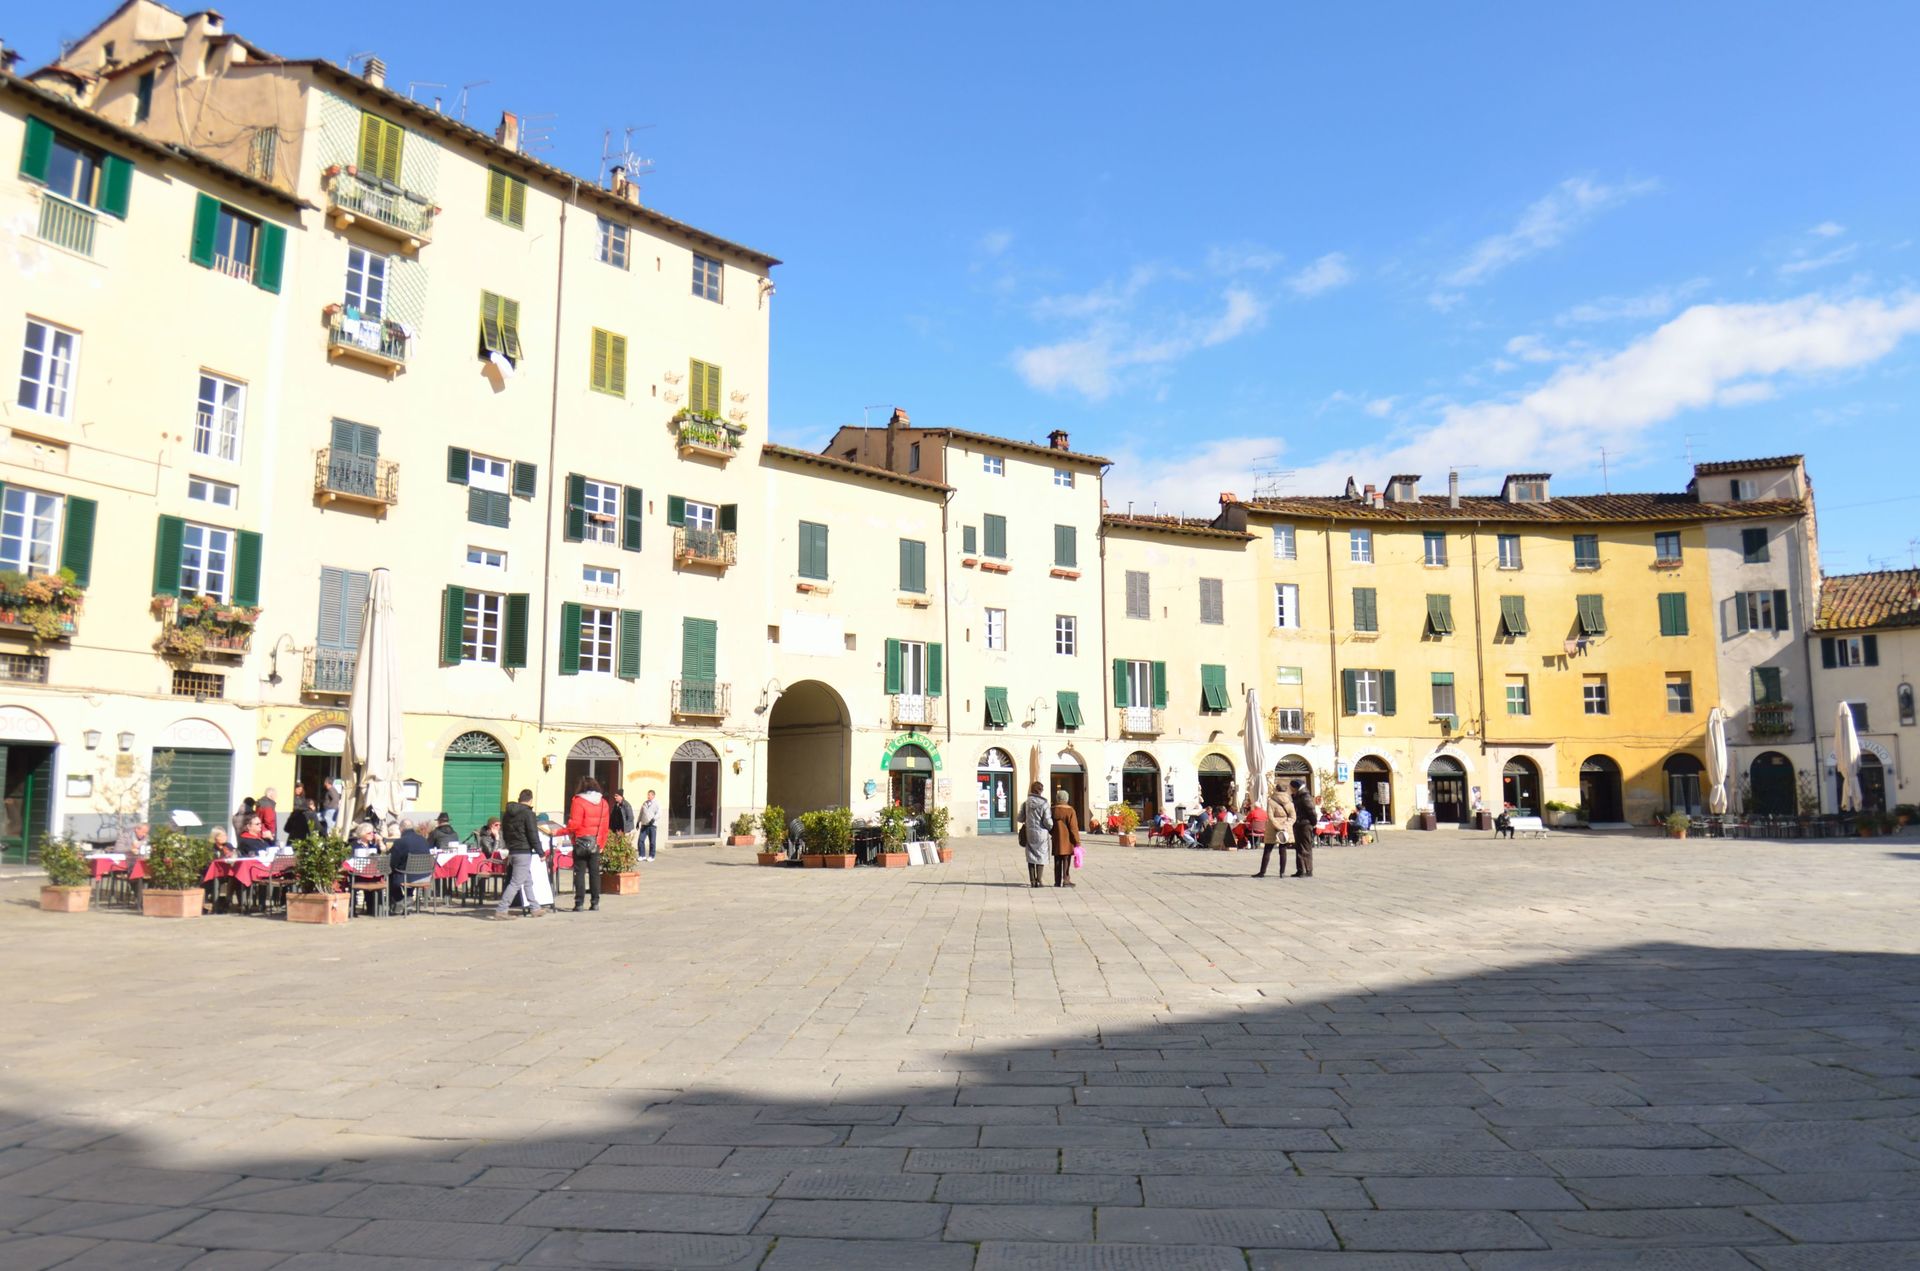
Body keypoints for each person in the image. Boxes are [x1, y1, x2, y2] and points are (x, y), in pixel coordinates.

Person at [494, 789, 546, 918]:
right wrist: (541, 852)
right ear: (530, 800)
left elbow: (504, 832)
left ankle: (535, 908)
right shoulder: (529, 814)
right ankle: (501, 910)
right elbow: (533, 834)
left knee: (527, 880)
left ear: (519, 799)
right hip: (523, 851)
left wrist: (509, 846)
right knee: (516, 883)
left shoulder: (507, 814)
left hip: (512, 851)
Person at [565, 776, 611, 912]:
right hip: (595, 843)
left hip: (580, 842)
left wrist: (561, 831)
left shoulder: (578, 801)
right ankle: (595, 902)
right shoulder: (603, 803)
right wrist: (602, 843)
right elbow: (605, 827)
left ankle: (579, 903)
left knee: (579, 872)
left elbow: (574, 824)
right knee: (595, 873)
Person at [388, 817, 433, 910]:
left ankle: (400, 900)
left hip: (409, 877)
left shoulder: (400, 842)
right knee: (409, 870)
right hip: (426, 876)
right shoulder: (423, 840)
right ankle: (408, 896)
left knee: (390, 874)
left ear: (401, 829)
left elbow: (392, 862)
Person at [1254, 786, 1292, 878]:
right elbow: (1293, 817)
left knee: (1268, 849)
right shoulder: (1290, 802)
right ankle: (1282, 872)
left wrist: (1278, 826)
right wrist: (1285, 826)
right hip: (1285, 828)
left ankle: (1262, 872)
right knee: (1283, 850)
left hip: (1272, 827)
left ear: (1276, 790)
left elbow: (1270, 816)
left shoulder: (1271, 801)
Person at [1021, 782, 1052, 889]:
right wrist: (1051, 827)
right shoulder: (1044, 804)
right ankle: (1039, 880)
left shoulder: (1026, 803)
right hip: (1041, 833)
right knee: (1041, 855)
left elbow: (1020, 817)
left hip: (1029, 832)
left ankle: (1032, 880)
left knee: (1030, 855)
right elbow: (1048, 821)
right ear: (1040, 791)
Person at [1050, 788, 1081, 888]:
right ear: (1066, 798)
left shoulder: (1052, 809)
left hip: (1056, 839)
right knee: (1066, 860)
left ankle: (1057, 881)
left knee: (1057, 860)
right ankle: (1066, 880)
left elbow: (1048, 824)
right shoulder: (1070, 810)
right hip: (1067, 840)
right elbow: (1073, 828)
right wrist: (1077, 841)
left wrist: (1052, 833)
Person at [1289, 782, 1316, 878]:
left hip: (1305, 824)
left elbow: (1311, 811)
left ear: (1296, 787)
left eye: (1291, 787)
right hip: (1299, 824)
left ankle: (1307, 870)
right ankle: (1301, 869)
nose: (1290, 789)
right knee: (1299, 847)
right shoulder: (1298, 796)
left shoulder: (1305, 796)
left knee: (1305, 847)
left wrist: (1313, 822)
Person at [636, 789, 660, 861]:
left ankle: (651, 856)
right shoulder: (645, 803)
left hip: (652, 825)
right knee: (640, 840)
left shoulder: (656, 803)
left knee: (652, 842)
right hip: (644, 825)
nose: (648, 796)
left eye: (649, 795)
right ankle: (642, 855)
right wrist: (638, 822)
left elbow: (659, 813)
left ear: (653, 796)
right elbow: (641, 813)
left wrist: (653, 819)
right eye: (648, 795)